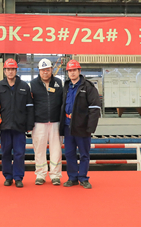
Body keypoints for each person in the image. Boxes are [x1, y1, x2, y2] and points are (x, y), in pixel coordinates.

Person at [60, 59, 101, 189]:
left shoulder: (88, 87)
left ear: (79, 71)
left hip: (82, 127)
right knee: (69, 153)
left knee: (84, 154)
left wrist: (90, 127)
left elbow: (95, 108)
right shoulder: (66, 86)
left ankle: (83, 178)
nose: (72, 73)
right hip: (68, 126)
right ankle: (72, 178)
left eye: (74, 70)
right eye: (70, 71)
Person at [0, 58, 34, 188]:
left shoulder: (24, 86)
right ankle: (8, 176)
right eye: (8, 69)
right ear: (4, 71)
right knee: (6, 153)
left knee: (19, 153)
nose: (10, 72)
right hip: (5, 126)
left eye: (13, 69)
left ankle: (18, 177)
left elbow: (29, 106)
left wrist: (29, 124)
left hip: (19, 126)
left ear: (16, 71)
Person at [30, 58, 64, 185]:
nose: (45, 72)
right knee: (39, 150)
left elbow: (63, 102)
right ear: (39, 71)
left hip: (56, 122)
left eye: (48, 70)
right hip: (39, 123)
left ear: (52, 70)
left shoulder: (59, 83)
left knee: (56, 150)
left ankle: (55, 175)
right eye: (43, 70)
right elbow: (29, 104)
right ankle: (40, 174)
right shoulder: (32, 84)